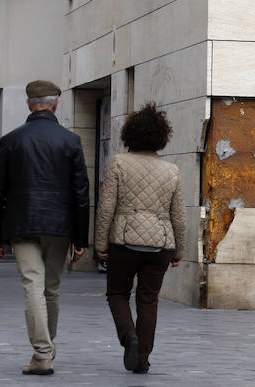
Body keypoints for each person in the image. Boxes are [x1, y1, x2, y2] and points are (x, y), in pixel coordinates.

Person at [0, 80, 90, 376]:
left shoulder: (11, 140)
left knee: (32, 285)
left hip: (21, 224)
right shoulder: (70, 141)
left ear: (29, 104)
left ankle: (42, 354)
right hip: (59, 226)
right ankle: (46, 349)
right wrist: (81, 238)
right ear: (56, 104)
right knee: (51, 288)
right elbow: (81, 193)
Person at [94, 102, 185, 374]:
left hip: (124, 241)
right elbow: (178, 216)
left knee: (117, 293)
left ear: (129, 134)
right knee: (149, 299)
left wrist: (100, 244)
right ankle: (143, 358)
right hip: (160, 244)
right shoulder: (172, 171)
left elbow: (106, 207)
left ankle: (128, 337)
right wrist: (179, 250)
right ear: (161, 137)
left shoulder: (119, 163)